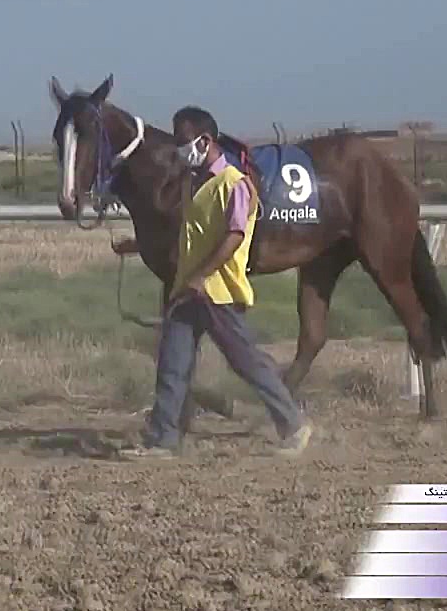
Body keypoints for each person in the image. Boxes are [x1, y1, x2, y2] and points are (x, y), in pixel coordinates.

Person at [119, 106, 312, 459]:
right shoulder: (196, 184)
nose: (178, 150)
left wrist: (202, 275)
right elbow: (192, 236)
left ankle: (294, 425)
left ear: (205, 141)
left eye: (183, 142)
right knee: (172, 363)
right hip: (188, 291)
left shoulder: (234, 184)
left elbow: (234, 236)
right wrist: (136, 245)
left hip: (218, 293)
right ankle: (164, 439)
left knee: (247, 363)